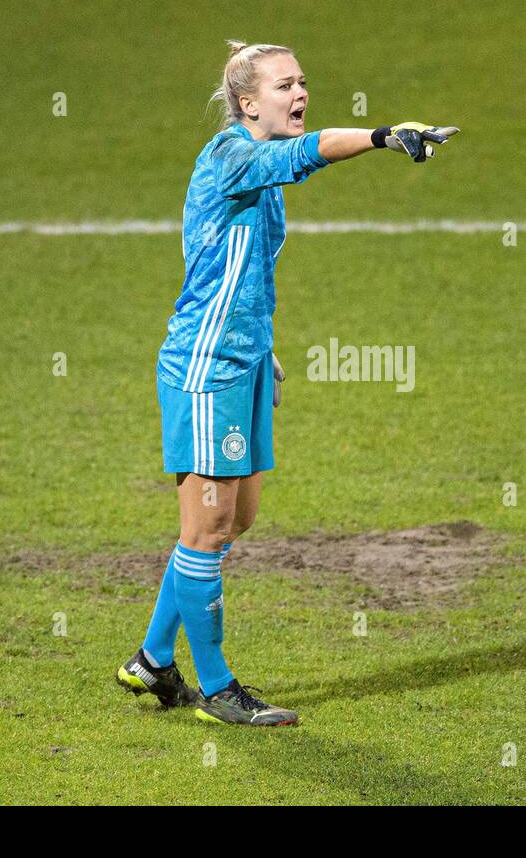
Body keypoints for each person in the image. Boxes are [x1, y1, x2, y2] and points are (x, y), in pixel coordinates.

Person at [117, 39, 458, 726]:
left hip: (243, 361)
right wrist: (384, 136)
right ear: (248, 104)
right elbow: (305, 156)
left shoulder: (259, 177)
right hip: (206, 367)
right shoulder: (234, 158)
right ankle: (217, 691)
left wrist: (264, 346)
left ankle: (153, 661)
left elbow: (241, 273)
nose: (299, 94)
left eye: (303, 81)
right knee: (206, 530)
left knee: (233, 521)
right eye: (283, 86)